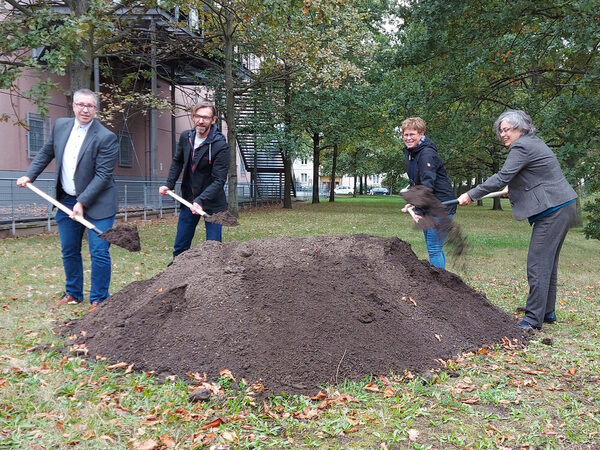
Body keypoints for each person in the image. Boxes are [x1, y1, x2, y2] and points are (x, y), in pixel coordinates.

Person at [458, 110, 577, 330]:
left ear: (521, 128)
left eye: (507, 129)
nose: (503, 134)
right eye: (501, 131)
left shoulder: (521, 146)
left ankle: (532, 320)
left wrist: (471, 194)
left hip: (554, 209)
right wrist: (511, 189)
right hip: (563, 204)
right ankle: (547, 312)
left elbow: (503, 176)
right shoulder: (533, 143)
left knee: (538, 264)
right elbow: (535, 176)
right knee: (548, 264)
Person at [16, 88, 119, 311]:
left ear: (95, 109)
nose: (85, 109)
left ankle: (99, 299)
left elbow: (103, 176)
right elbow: (46, 152)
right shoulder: (61, 126)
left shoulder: (106, 137)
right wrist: (30, 174)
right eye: (81, 104)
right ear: (73, 106)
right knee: (69, 250)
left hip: (99, 204)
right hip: (66, 201)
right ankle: (73, 293)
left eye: (90, 106)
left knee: (99, 251)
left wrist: (82, 203)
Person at [159, 101, 230, 258]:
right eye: (197, 116)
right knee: (180, 248)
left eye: (205, 117)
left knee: (213, 250)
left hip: (212, 204)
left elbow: (219, 180)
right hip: (189, 200)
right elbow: (178, 161)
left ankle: (212, 280)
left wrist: (201, 200)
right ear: (193, 117)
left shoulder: (220, 145)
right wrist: (168, 184)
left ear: (213, 120)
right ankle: (176, 277)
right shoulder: (186, 137)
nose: (200, 121)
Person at [401, 117, 457, 269]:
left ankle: (440, 285)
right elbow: (417, 182)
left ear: (421, 134)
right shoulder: (413, 153)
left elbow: (427, 184)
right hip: (428, 205)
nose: (408, 138)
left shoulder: (426, 154)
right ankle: (443, 282)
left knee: (434, 248)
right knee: (434, 247)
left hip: (441, 206)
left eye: (412, 134)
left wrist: (418, 209)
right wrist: (414, 202)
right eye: (405, 135)